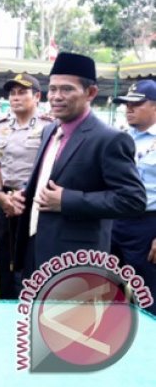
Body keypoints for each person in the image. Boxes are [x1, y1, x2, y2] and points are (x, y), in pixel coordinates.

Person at [11, 53, 146, 275]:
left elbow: (132, 200)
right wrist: (26, 193)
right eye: (52, 89)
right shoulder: (49, 131)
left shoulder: (109, 139)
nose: (56, 96)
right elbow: (51, 178)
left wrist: (68, 200)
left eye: (67, 89)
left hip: (76, 260)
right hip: (36, 248)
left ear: (90, 93)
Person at [0, 73, 51, 299]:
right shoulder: (0, 127)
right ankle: (4, 305)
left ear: (37, 97)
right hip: (5, 201)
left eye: (22, 92)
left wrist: (24, 196)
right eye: (12, 93)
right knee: (4, 258)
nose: (16, 98)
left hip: (33, 203)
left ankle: (28, 310)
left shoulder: (48, 128)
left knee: (30, 259)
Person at [111, 80, 156, 314]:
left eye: (137, 104)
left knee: (148, 296)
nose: (129, 109)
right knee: (109, 292)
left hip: (148, 226)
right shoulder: (119, 138)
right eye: (126, 104)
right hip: (114, 222)